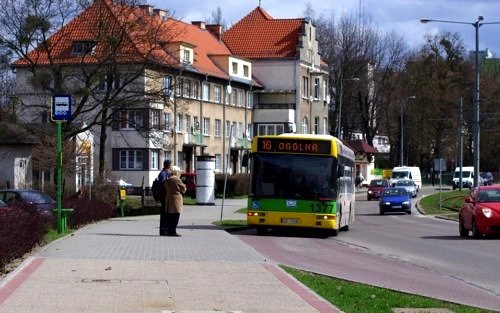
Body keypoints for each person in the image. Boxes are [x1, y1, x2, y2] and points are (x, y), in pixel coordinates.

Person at [165, 168, 186, 237]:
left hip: (169, 198)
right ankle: (173, 231)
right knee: (176, 216)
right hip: (176, 199)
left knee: (170, 216)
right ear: (176, 172)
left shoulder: (167, 179)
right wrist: (184, 187)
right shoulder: (177, 179)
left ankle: (169, 231)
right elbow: (183, 189)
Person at [158, 159, 172, 236]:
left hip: (166, 196)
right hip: (164, 196)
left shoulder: (166, 173)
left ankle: (165, 229)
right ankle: (163, 230)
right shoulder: (163, 174)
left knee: (166, 213)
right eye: (171, 165)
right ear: (168, 165)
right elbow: (163, 185)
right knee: (164, 214)